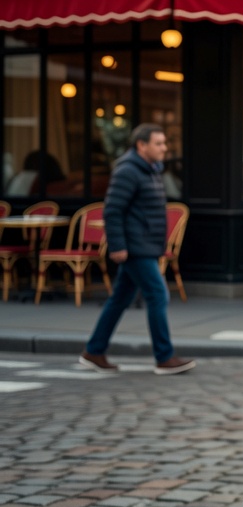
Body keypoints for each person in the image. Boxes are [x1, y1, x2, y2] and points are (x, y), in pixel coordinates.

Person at [78, 124, 196, 376]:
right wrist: (118, 246)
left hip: (145, 245)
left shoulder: (150, 170)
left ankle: (94, 351)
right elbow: (113, 210)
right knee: (158, 294)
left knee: (120, 298)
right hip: (134, 247)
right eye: (158, 143)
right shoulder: (128, 171)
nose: (164, 148)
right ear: (141, 145)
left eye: (164, 143)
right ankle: (164, 357)